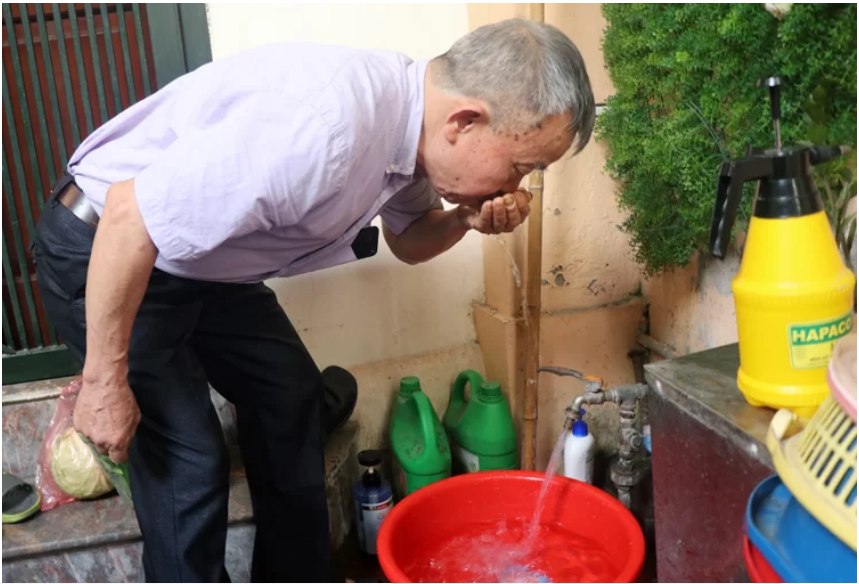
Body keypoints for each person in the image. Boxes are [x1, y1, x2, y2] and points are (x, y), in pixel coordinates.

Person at [33, 17, 594, 583]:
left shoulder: (410, 128)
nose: (513, 187)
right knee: (189, 459)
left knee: (290, 395)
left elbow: (409, 241)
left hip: (197, 262)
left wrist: (464, 219)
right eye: (520, 167)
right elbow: (130, 216)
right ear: (464, 121)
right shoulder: (321, 130)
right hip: (108, 250)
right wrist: (104, 382)